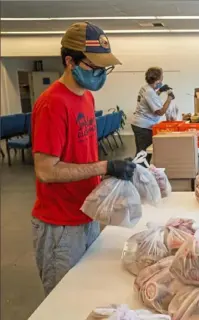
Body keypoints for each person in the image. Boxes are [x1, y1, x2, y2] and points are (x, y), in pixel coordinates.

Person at [31, 22, 137, 296]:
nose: (101, 74)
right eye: (95, 67)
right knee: (64, 299)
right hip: (60, 225)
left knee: (88, 293)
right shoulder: (52, 103)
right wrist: (105, 166)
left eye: (105, 68)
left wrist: (109, 173)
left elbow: (81, 155)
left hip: (86, 214)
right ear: (70, 61)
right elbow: (46, 171)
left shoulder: (86, 98)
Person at [130, 67, 175, 160]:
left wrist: (160, 91)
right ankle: (139, 172)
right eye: (162, 77)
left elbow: (151, 99)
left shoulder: (145, 87)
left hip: (140, 123)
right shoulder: (149, 92)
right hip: (143, 126)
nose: (163, 79)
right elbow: (160, 112)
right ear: (158, 80)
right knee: (143, 153)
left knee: (142, 152)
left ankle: (141, 171)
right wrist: (169, 98)